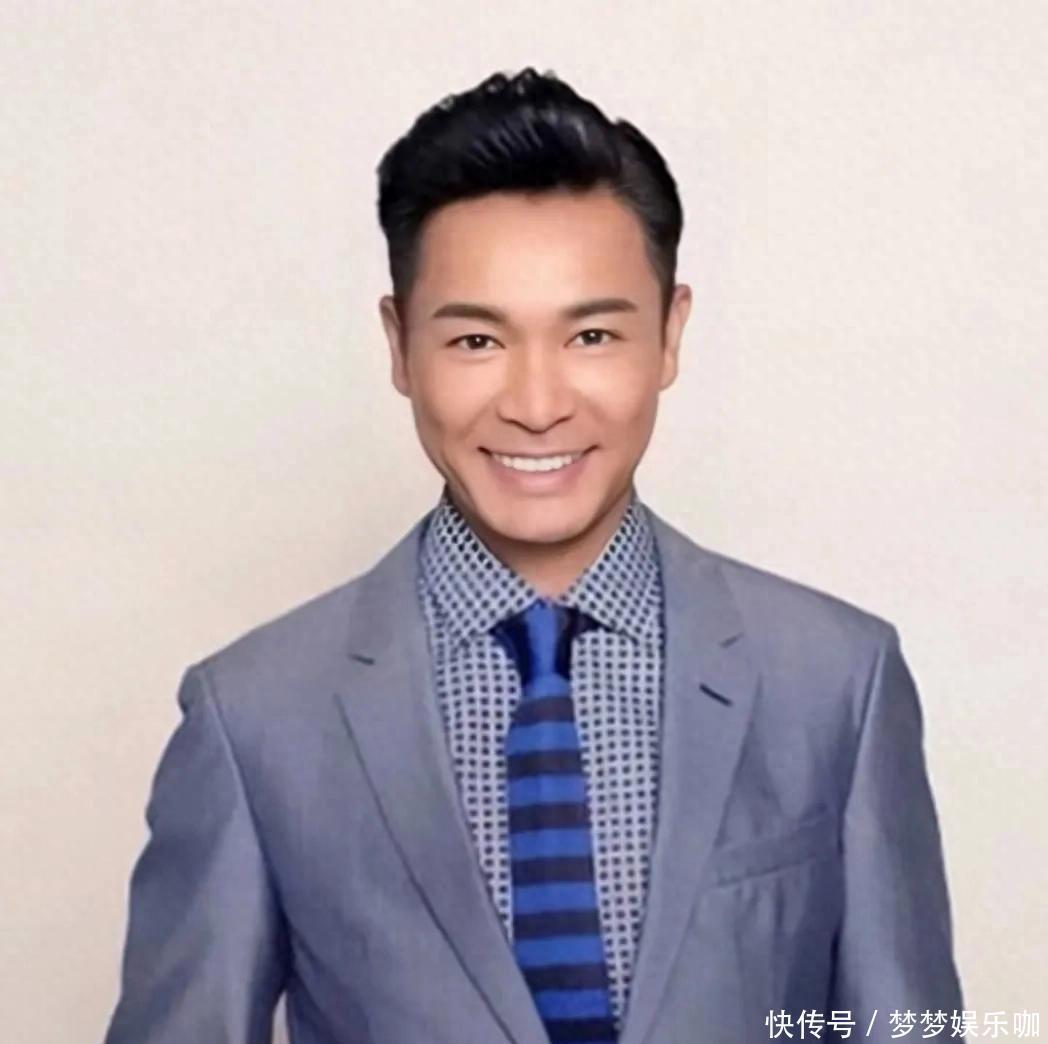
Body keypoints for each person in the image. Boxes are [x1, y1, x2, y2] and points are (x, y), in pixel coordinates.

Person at [103, 67, 965, 1044]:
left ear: (670, 334)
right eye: (477, 341)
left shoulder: (836, 680)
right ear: (399, 344)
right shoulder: (254, 717)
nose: (538, 403)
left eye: (591, 334)